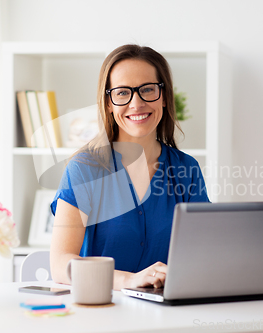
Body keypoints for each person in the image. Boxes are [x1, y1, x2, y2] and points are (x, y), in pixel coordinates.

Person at [50, 44, 210, 290]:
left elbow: (203, 253)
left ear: (165, 97)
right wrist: (129, 280)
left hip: (169, 316)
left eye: (147, 89)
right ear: (108, 103)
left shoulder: (187, 169)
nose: (137, 103)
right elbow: (61, 264)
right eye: (123, 93)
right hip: (103, 313)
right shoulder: (84, 169)